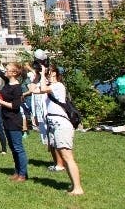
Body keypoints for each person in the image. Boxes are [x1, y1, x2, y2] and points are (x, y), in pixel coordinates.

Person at [32, 67, 83, 195]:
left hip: (61, 124)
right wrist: (38, 75)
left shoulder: (58, 86)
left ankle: (78, 188)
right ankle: (74, 186)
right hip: (53, 123)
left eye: (49, 73)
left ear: (54, 74)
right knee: (64, 157)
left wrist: (43, 74)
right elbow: (33, 89)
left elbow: (43, 89)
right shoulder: (50, 86)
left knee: (67, 156)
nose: (47, 75)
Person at [0, 61, 28, 183]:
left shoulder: (17, 87)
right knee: (13, 148)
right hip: (6, 118)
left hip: (14, 120)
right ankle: (17, 171)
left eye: (7, 69)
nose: (5, 70)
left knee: (18, 148)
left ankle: (23, 174)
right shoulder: (8, 81)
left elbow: (15, 106)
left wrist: (0, 101)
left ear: (14, 73)